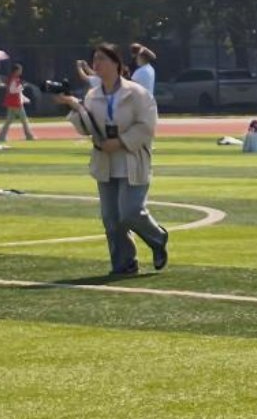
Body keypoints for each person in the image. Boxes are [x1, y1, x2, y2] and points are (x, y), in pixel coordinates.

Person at [54, 42, 170, 276]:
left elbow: (147, 126)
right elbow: (86, 128)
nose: (96, 64)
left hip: (132, 159)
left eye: (102, 59)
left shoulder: (136, 93)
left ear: (116, 63)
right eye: (95, 59)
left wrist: (120, 142)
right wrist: (72, 106)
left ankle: (157, 237)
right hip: (105, 161)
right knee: (111, 218)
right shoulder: (93, 95)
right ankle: (124, 263)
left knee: (130, 211)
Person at [0, 63, 35, 143]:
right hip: (15, 103)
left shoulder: (12, 78)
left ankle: (1, 136)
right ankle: (29, 136)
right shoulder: (14, 79)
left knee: (9, 120)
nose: (21, 71)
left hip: (11, 102)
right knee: (24, 119)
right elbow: (12, 90)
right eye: (20, 70)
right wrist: (22, 87)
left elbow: (16, 92)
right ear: (16, 71)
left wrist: (25, 98)